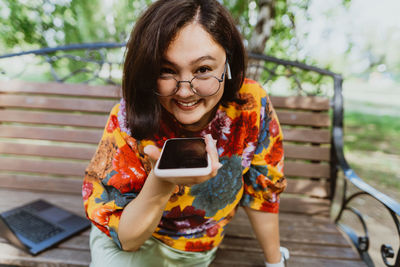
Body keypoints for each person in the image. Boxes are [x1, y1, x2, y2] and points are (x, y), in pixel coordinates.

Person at [82, 0, 288, 266]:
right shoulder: (127, 120)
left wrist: (275, 263)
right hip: (130, 242)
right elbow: (127, 239)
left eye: (203, 70)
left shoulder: (250, 106)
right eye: (166, 71)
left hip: (195, 251)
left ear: (227, 63)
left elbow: (263, 193)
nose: (184, 91)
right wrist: (162, 179)